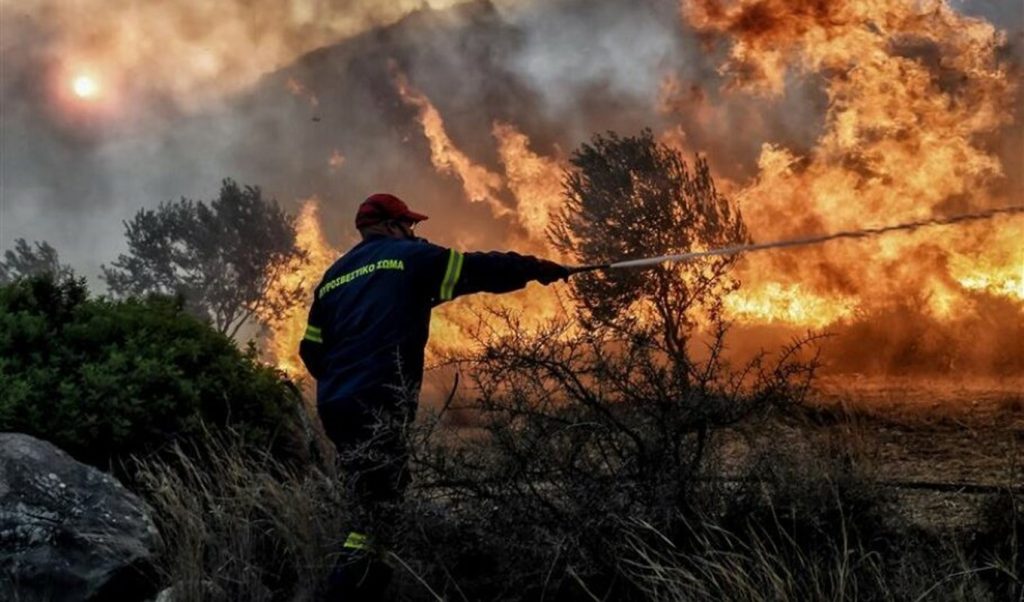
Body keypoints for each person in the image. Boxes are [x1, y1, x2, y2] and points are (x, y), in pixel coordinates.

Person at [298, 193, 569, 599]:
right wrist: (536, 268)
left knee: (372, 497)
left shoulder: (333, 279)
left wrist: (344, 380)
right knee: (379, 509)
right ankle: (346, 592)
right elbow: (477, 269)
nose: (413, 231)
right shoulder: (408, 256)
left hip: (337, 404)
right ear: (391, 226)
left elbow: (310, 351)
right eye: (409, 225)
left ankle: (365, 581)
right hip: (379, 397)